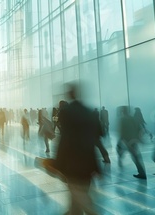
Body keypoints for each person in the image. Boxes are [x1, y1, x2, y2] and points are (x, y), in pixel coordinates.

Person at [54, 83, 100, 215]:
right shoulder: (88, 111)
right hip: (88, 162)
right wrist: (96, 166)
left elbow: (65, 140)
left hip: (73, 164)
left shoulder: (67, 112)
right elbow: (95, 137)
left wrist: (58, 163)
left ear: (69, 94)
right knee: (79, 196)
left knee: (81, 198)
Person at [116, 106, 146, 179]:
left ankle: (142, 173)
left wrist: (120, 140)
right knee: (135, 155)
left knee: (134, 156)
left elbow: (121, 131)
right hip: (133, 140)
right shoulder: (133, 118)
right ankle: (141, 172)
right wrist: (138, 138)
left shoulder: (122, 119)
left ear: (122, 111)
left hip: (127, 140)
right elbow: (139, 128)